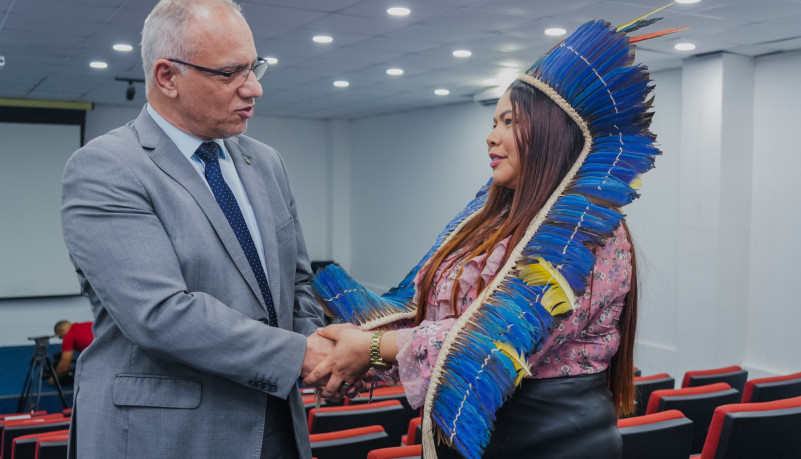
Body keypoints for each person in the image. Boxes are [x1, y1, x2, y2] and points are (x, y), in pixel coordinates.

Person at [306, 13, 679, 459]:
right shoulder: (491, 219)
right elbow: (425, 313)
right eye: (493, 122)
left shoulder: (588, 234)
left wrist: (370, 347)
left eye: (507, 122)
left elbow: (496, 338)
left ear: (548, 136)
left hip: (554, 444)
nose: (490, 137)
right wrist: (355, 342)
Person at [60, 0, 334, 457]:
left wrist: (318, 348)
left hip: (278, 425)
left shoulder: (265, 162)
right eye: (231, 73)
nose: (254, 89)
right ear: (168, 77)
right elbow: (161, 314)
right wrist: (303, 356)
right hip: (168, 439)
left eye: (255, 68)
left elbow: (297, 281)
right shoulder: (106, 167)